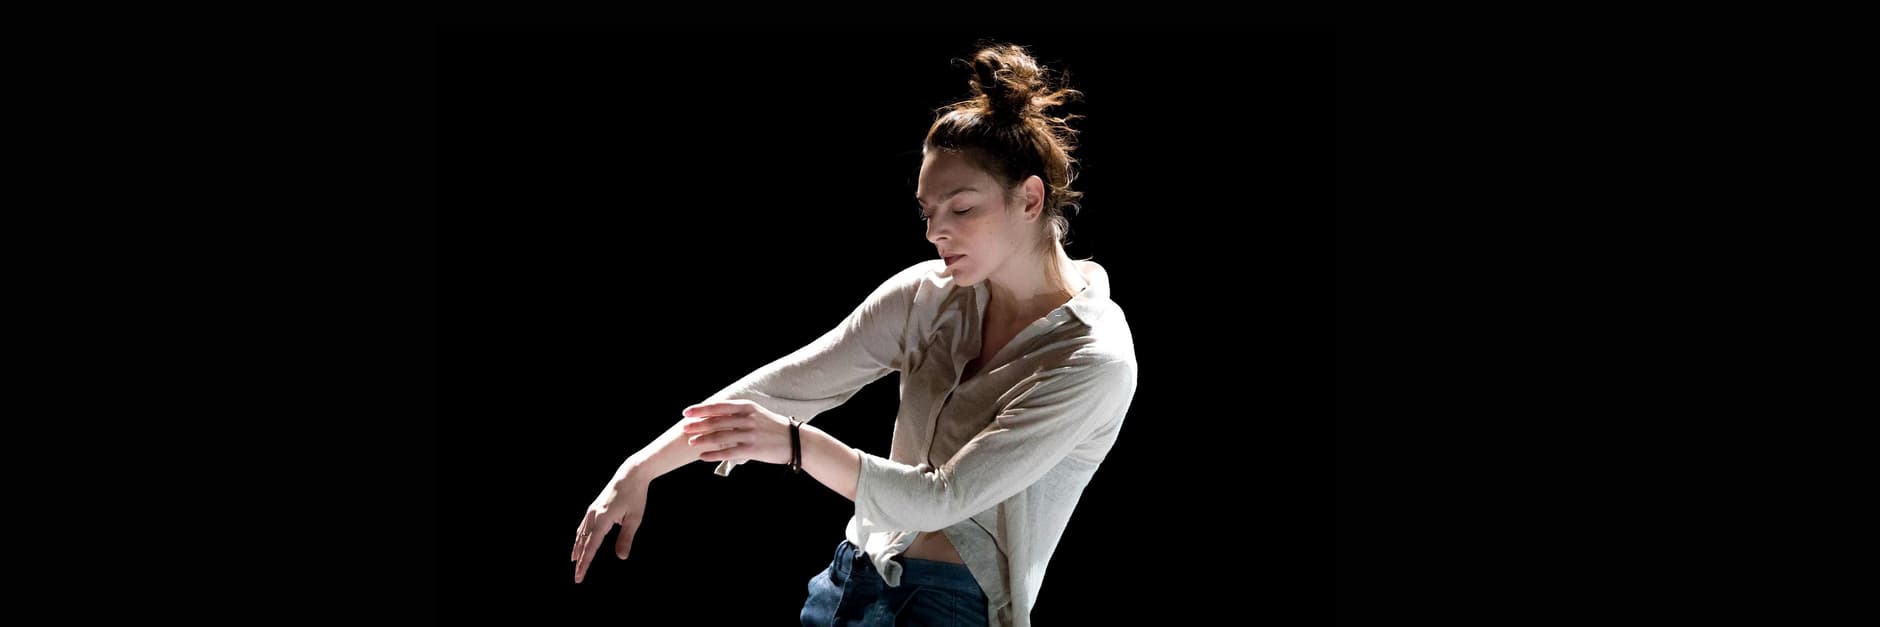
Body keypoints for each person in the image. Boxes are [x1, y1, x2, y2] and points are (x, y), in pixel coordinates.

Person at [570, 43, 1138, 627]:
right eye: (927, 212)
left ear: (1031, 199)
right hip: (850, 576)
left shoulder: (1092, 359)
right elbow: (784, 388)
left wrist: (796, 445)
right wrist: (639, 468)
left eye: (962, 209)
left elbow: (943, 497)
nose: (935, 231)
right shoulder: (928, 295)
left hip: (949, 606)